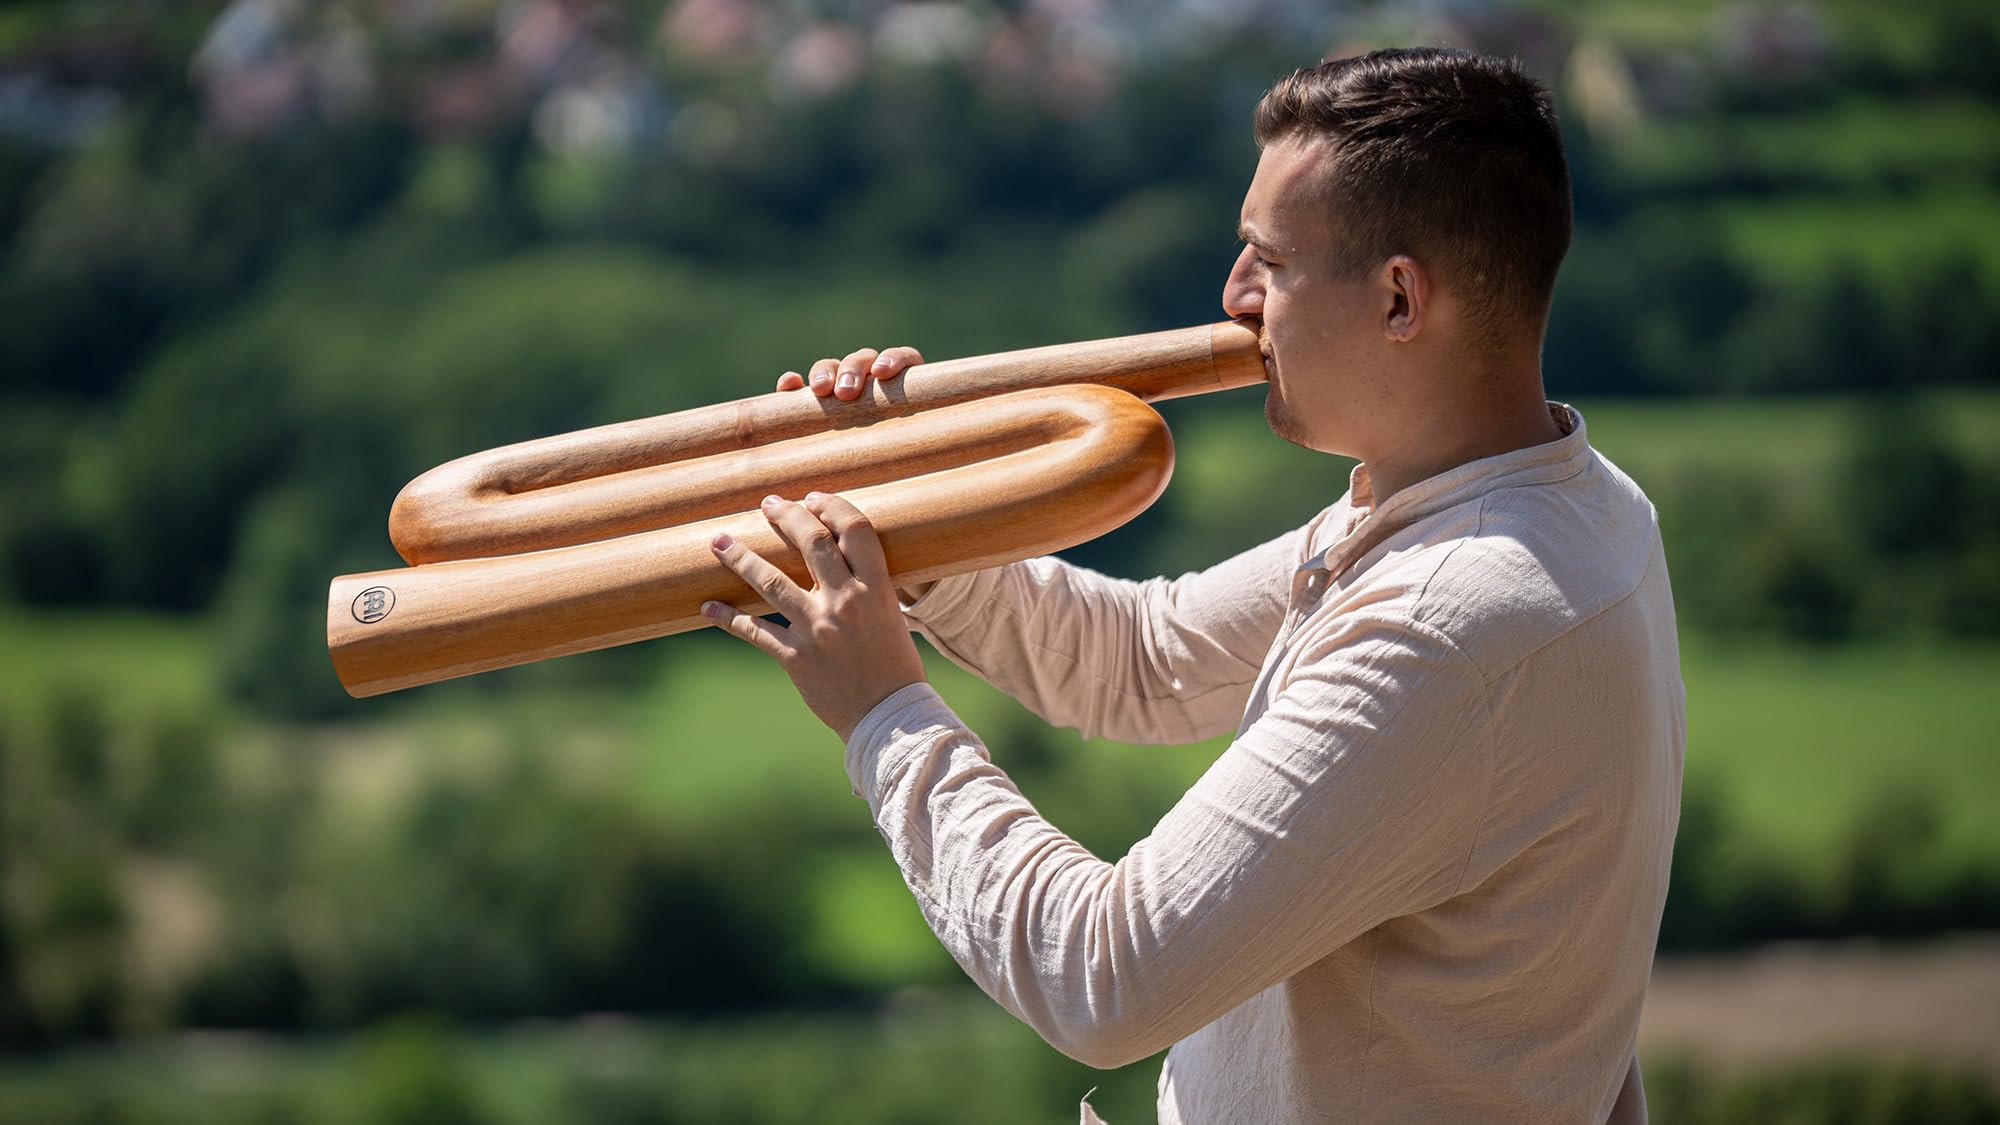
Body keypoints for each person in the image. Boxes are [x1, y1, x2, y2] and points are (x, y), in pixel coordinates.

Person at [698, 47, 1683, 1124]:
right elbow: (1148, 662)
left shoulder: (1456, 617)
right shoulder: (1563, 507)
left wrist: (881, 714)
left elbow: (1102, 977)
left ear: (1400, 297)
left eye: (1266, 259)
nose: (1232, 297)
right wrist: (916, 514)